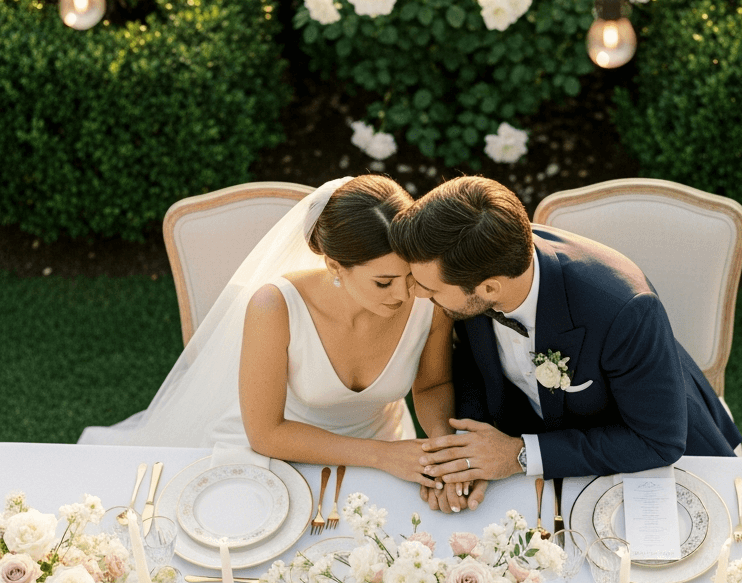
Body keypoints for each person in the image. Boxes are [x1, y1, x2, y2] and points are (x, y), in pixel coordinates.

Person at [80, 177, 463, 509]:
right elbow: (266, 433)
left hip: (391, 452)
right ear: (334, 266)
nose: (404, 293)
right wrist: (383, 457)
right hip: (282, 452)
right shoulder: (274, 306)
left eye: (409, 275)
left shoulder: (430, 302)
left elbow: (432, 385)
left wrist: (444, 452)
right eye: (384, 282)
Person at [388, 175, 742, 506]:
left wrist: (518, 455)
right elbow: (473, 368)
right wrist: (469, 455)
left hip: (657, 458)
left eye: (430, 288)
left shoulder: (625, 309)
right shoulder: (478, 268)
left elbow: (657, 441)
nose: (417, 293)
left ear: (490, 288)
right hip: (538, 437)